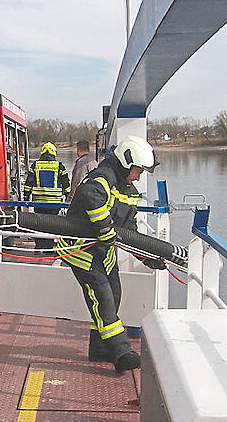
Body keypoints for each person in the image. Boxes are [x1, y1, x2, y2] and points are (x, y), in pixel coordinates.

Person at [54, 135, 166, 374]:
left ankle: (100, 349)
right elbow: (89, 195)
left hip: (103, 251)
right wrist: (105, 226)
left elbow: (130, 231)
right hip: (80, 249)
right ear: (127, 163)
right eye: (138, 171)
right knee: (102, 296)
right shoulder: (103, 177)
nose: (139, 176)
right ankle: (121, 352)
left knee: (114, 293)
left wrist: (147, 257)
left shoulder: (127, 189)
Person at [23, 142, 70, 248]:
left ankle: (39, 245)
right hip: (54, 203)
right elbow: (66, 183)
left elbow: (28, 183)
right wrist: (67, 196)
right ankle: (49, 246)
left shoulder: (35, 165)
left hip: (39, 202)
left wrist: (25, 197)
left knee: (39, 223)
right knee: (52, 224)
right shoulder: (59, 166)